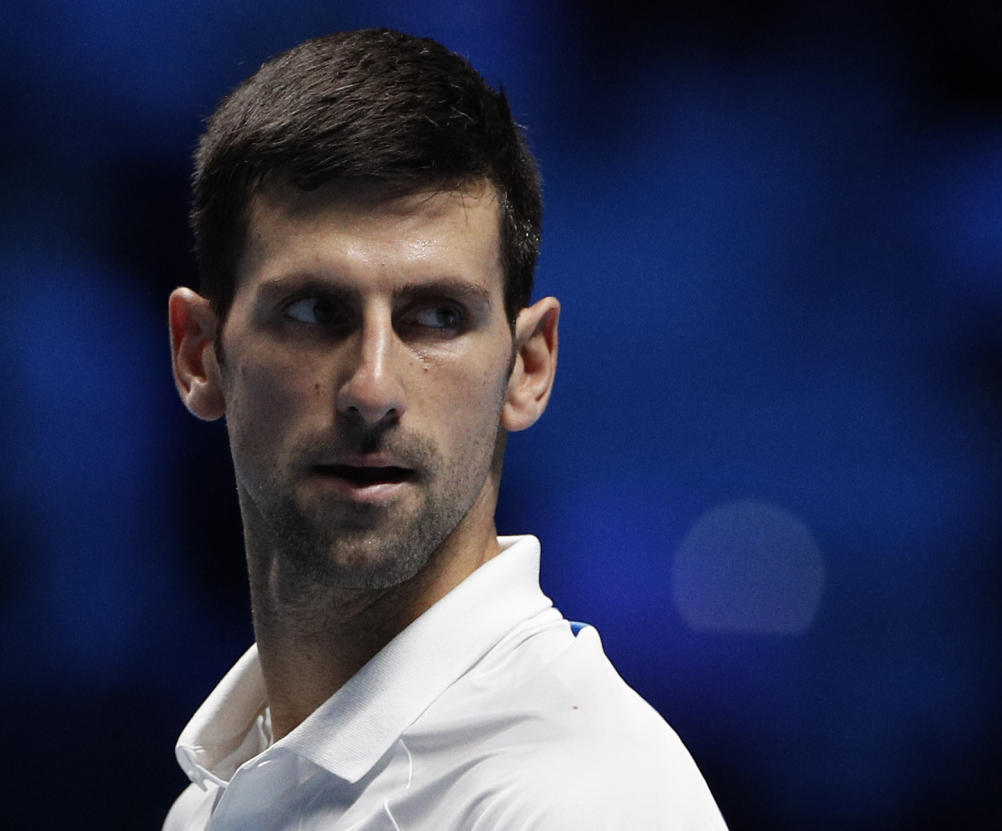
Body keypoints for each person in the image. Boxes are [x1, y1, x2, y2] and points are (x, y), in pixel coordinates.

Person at [164, 27, 727, 831]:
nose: (371, 388)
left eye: (435, 317)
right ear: (200, 354)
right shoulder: (213, 798)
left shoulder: (585, 804)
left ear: (527, 366)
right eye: (316, 311)